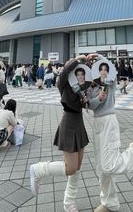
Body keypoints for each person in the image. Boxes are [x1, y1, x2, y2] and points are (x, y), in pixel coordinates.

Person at [87, 54, 133, 212]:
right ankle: (109, 203)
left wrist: (100, 56)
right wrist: (99, 98)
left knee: (109, 165)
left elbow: (111, 67)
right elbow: (90, 105)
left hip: (109, 121)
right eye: (99, 69)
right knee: (101, 168)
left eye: (104, 69)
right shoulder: (91, 86)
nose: (102, 72)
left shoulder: (110, 82)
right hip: (97, 124)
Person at [30, 55, 89, 212]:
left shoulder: (80, 90)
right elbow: (63, 73)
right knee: (70, 168)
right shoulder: (63, 86)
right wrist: (77, 59)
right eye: (77, 73)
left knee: (77, 168)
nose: (80, 76)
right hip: (69, 125)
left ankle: (69, 202)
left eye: (82, 74)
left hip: (79, 125)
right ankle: (38, 170)